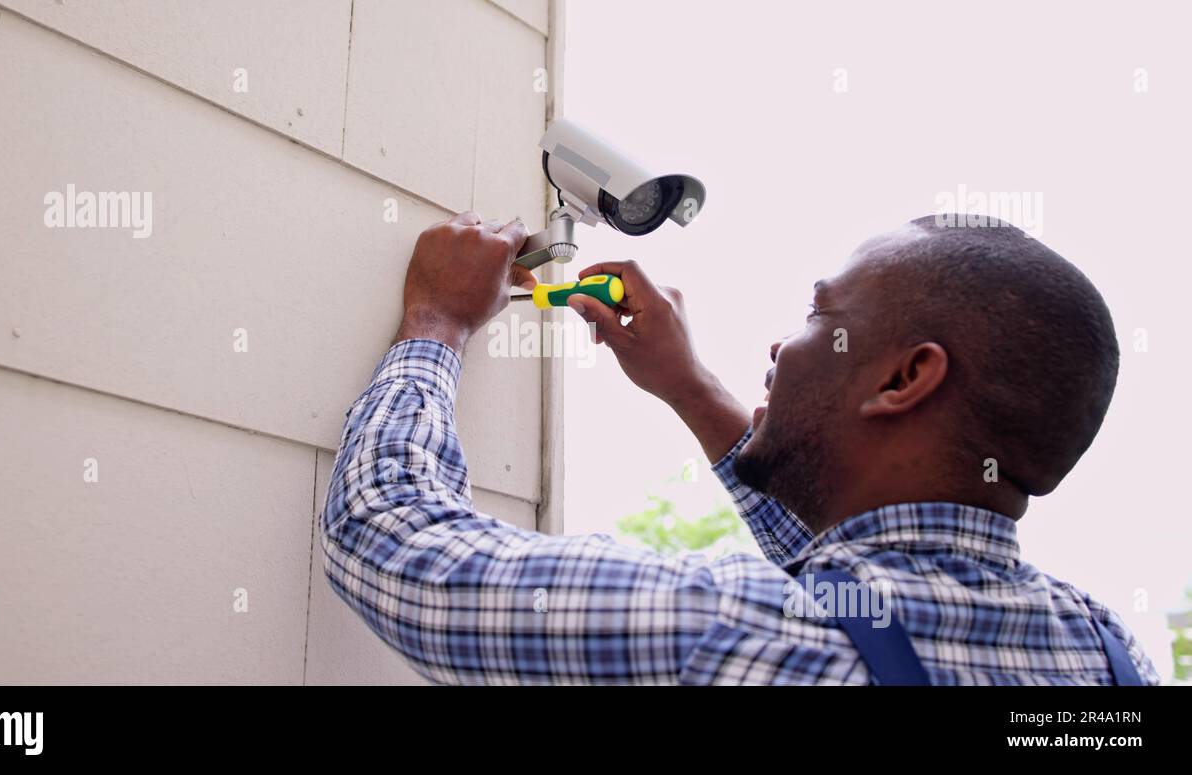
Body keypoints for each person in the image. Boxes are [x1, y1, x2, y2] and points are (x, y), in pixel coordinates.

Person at [320, 210, 1158, 685]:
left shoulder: (727, 630)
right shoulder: (1106, 657)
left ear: (905, 378)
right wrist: (690, 389)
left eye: (818, 318)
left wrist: (436, 322)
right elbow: (862, 584)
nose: (781, 347)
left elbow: (391, 543)